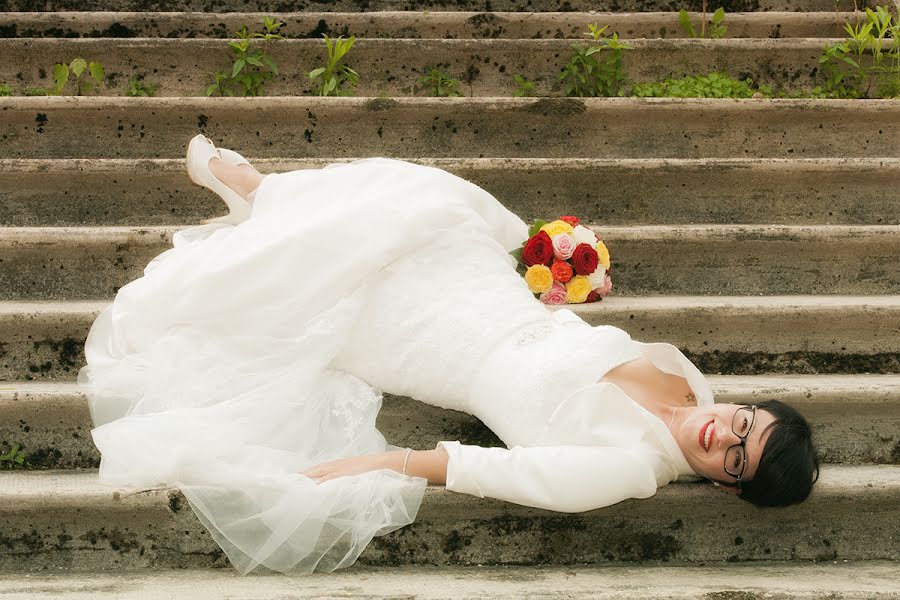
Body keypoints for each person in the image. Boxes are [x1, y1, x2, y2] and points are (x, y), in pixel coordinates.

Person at [77, 135, 819, 576]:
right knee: (431, 199)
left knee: (333, 275)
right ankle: (266, 191)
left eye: (734, 460)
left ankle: (260, 199)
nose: (726, 434)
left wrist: (386, 461)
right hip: (500, 303)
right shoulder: (691, 386)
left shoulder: (626, 468)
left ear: (726, 487)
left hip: (444, 350)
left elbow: (501, 471)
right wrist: (573, 288)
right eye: (747, 423)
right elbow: (586, 350)